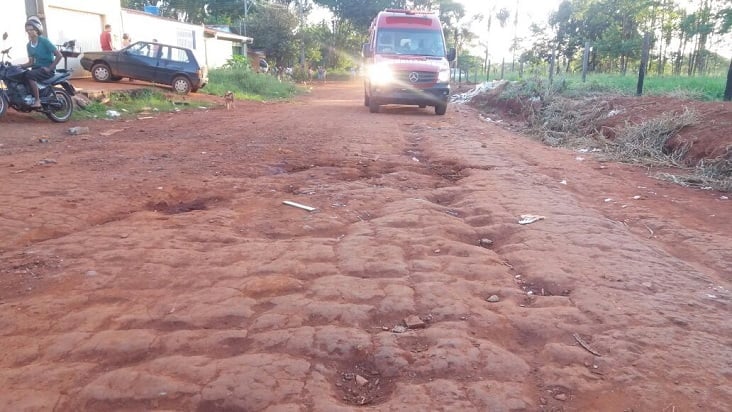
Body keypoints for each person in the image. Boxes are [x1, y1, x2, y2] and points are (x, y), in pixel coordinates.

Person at [20, 16, 62, 108]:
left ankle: (37, 100)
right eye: (27, 30)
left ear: (37, 29)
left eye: (31, 29)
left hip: (47, 69)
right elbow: (30, 62)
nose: (29, 32)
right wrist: (19, 66)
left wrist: (49, 68)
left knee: (29, 75)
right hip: (37, 69)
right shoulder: (28, 45)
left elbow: (59, 55)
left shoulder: (44, 41)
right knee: (22, 74)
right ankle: (28, 97)